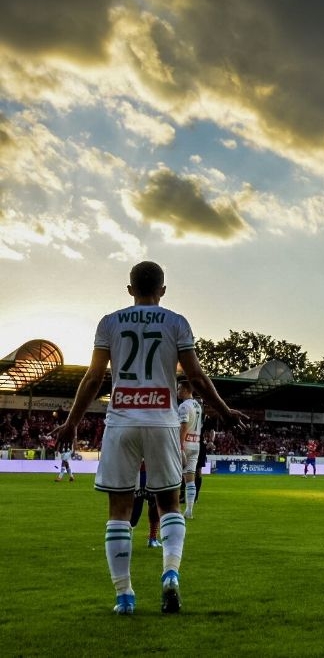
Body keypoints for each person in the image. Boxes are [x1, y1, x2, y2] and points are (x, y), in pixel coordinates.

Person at [48, 261, 246, 616]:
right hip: (162, 422)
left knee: (119, 511)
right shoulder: (177, 322)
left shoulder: (109, 322)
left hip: (121, 421)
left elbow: (94, 377)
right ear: (163, 290)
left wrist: (72, 422)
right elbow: (196, 376)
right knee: (169, 504)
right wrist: (225, 409)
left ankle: (124, 596)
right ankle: (170, 573)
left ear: (129, 290)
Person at [177, 381, 203, 519]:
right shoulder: (198, 405)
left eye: (179, 388)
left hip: (185, 444)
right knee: (190, 478)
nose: (177, 391)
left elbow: (183, 426)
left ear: (187, 390)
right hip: (196, 444)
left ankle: (172, 508)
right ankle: (189, 510)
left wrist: (180, 446)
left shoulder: (183, 406)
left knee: (175, 477)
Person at [131, 460, 161, 548]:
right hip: (138, 472)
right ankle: (126, 538)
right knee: (135, 509)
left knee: (154, 505)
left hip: (152, 472)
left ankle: (153, 538)